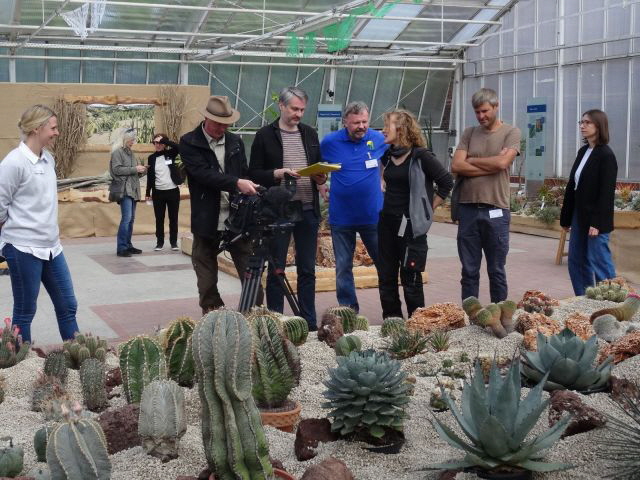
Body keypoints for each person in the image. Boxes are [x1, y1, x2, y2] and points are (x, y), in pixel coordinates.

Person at [249, 86, 327, 331]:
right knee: (277, 269)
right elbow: (253, 173)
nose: (299, 114)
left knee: (307, 269)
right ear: (281, 106)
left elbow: (318, 168)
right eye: (294, 108)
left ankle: (308, 322)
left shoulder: (310, 134)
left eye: (302, 109)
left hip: (307, 209)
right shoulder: (264, 135)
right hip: (279, 211)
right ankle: (277, 323)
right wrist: (277, 174)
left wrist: (321, 178)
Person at [0, 104, 80, 343]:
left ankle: (78, 359)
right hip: (23, 248)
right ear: (37, 128)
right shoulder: (13, 163)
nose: (57, 132)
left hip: (52, 248)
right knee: (25, 312)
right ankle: (20, 368)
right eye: (53, 127)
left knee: (68, 305)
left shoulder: (49, 160)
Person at [180, 95, 262, 314]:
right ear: (206, 118)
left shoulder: (235, 142)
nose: (221, 128)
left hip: (236, 221)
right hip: (207, 220)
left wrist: (268, 177)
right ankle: (214, 319)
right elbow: (202, 175)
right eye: (217, 123)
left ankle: (254, 317)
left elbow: (244, 173)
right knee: (206, 281)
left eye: (226, 124)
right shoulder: (189, 142)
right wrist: (236, 183)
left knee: (251, 273)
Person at [377, 109, 453, 318]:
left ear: (400, 129)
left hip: (409, 225)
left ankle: (416, 324)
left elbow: (446, 182)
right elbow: (382, 174)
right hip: (387, 223)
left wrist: (427, 209)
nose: (383, 130)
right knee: (386, 277)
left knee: (410, 277)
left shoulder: (421, 156)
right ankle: (392, 322)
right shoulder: (389, 155)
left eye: (387, 125)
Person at [451, 88, 521, 303]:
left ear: (496, 106)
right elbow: (456, 165)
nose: (481, 116)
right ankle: (471, 316)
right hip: (468, 208)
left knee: (496, 269)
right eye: (477, 112)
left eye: (485, 111)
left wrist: (471, 160)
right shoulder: (469, 133)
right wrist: (490, 164)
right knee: (469, 271)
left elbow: (502, 163)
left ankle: (499, 315)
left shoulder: (511, 132)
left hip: (496, 208)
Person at [320, 101, 388, 313]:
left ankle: (390, 308)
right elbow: (317, 167)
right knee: (343, 268)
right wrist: (320, 183)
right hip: (342, 217)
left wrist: (385, 180)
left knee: (384, 265)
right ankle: (349, 311)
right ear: (345, 123)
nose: (361, 126)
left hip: (373, 215)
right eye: (356, 122)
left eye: (365, 121)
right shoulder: (330, 142)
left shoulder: (377, 139)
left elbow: (393, 160)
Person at [560, 109, 617, 296]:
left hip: (595, 219)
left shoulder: (606, 155)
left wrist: (598, 223)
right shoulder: (583, 151)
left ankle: (611, 303)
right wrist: (566, 218)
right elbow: (573, 186)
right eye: (581, 122)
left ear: (599, 126)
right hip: (579, 215)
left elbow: (606, 193)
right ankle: (585, 299)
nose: (582, 126)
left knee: (599, 261)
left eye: (587, 122)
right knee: (576, 261)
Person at [110, 127, 147, 257]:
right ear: (125, 139)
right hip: (124, 190)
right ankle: (121, 248)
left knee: (131, 219)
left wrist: (142, 170)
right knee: (126, 219)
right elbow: (117, 170)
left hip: (133, 189)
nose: (133, 142)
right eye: (132, 139)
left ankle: (128, 245)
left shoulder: (130, 152)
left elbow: (132, 171)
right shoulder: (117, 153)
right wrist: (134, 169)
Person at [145, 133, 183, 251]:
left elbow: (178, 148)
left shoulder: (170, 154)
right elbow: (150, 177)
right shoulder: (151, 158)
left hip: (172, 191)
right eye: (156, 142)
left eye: (160, 143)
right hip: (158, 193)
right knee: (159, 218)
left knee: (173, 218)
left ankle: (173, 242)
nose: (158, 145)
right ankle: (159, 242)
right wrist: (147, 193)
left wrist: (165, 141)